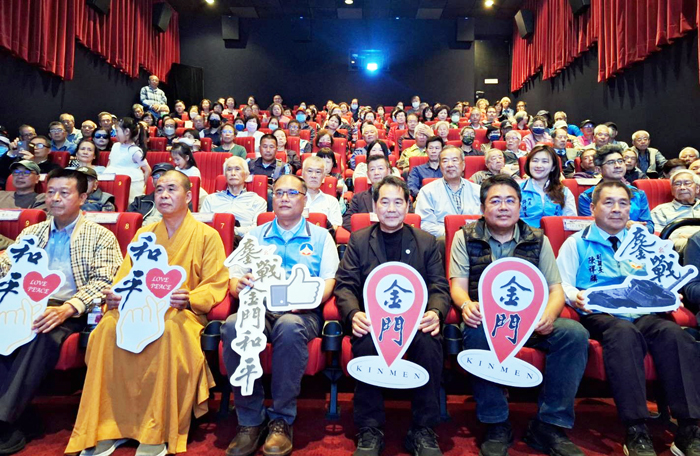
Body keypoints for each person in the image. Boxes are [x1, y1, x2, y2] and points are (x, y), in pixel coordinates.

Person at [67, 170, 229, 456]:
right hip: (138, 307)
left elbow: (216, 283)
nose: (163, 195)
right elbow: (124, 277)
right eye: (159, 189)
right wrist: (114, 297)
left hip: (181, 312)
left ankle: (157, 429)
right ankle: (107, 426)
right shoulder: (145, 235)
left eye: (171, 189)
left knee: (167, 330)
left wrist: (190, 298)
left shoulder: (207, 235)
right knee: (108, 328)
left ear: (188, 196)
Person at [557, 180, 700, 456]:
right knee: (623, 333)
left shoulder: (646, 243)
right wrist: (576, 297)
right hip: (603, 314)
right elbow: (561, 283)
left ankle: (689, 429)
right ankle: (636, 428)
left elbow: (664, 279)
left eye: (623, 203)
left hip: (644, 312)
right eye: (608, 202)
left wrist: (670, 294)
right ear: (593, 208)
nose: (617, 209)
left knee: (674, 335)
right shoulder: (576, 243)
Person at [451, 174, 589, 456]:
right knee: (475, 330)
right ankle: (496, 422)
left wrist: (549, 315)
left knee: (574, 334)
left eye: (510, 201)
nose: (503, 207)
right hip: (488, 321)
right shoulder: (465, 236)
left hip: (531, 322)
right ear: (483, 207)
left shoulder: (538, 239)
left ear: (519, 205)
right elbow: (458, 287)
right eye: (495, 201)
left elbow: (555, 289)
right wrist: (466, 306)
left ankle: (549, 425)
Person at [0, 168, 122, 455]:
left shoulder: (100, 236)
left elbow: (103, 281)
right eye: (51, 192)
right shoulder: (31, 233)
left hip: (70, 310)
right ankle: (23, 416)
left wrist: (68, 308)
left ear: (82, 198)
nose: (55, 198)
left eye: (64, 193)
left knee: (39, 331)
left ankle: (4, 421)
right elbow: (8, 269)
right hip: (23, 303)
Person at [222, 175, 339, 456]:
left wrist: (309, 299)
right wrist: (238, 285)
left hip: (302, 313)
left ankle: (281, 419)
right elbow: (234, 277)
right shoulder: (255, 235)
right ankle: (250, 419)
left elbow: (330, 280)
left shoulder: (320, 237)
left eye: (292, 193)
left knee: (288, 326)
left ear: (304, 199)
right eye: (279, 193)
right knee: (233, 325)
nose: (284, 198)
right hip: (259, 308)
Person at [335, 176, 450, 456]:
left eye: (398, 202)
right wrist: (354, 314)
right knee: (365, 341)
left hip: (415, 322)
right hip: (373, 320)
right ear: (375, 206)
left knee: (429, 343)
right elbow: (345, 285)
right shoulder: (360, 240)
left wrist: (435, 312)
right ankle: (369, 427)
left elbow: (438, 286)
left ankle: (423, 428)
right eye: (384, 202)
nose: (391, 208)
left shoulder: (426, 242)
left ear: (408, 206)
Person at [578, 145, 654, 232]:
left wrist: (637, 227)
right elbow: (588, 227)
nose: (618, 166)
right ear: (598, 169)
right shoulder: (587, 197)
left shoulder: (638, 194)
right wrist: (624, 226)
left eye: (620, 161)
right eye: (611, 162)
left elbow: (649, 226)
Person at [415, 146, 481, 239]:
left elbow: (485, 219)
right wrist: (452, 233)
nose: (450, 165)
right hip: (442, 239)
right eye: (445, 161)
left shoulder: (478, 190)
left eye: (454, 160)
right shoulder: (427, 191)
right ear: (440, 166)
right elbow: (425, 224)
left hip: (474, 238)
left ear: (463, 165)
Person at [200, 156, 267, 237]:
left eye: (237, 169)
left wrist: (232, 231)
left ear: (246, 175)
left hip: (242, 240)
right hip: (214, 238)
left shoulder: (257, 201)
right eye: (229, 169)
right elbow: (202, 224)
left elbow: (257, 228)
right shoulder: (210, 199)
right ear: (225, 175)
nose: (233, 173)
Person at [520, 145, 577, 228]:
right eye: (535, 161)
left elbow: (571, 223)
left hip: (555, 234)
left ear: (553, 167)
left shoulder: (564, 192)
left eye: (544, 161)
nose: (538, 165)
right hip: (525, 234)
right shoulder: (517, 190)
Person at [104, 117, 151, 204]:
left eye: (117, 131)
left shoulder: (135, 151)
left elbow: (147, 170)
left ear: (127, 132)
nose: (115, 134)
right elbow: (110, 163)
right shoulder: (115, 146)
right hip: (112, 182)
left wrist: (143, 185)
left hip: (131, 186)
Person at [650, 169, 700, 250]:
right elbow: (656, 237)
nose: (682, 187)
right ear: (672, 190)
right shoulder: (661, 210)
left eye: (687, 183)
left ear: (697, 188)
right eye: (677, 184)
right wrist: (686, 237)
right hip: (679, 244)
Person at [342, 154, 392, 232]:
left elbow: (409, 219)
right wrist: (366, 234)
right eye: (372, 169)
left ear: (388, 171)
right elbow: (347, 221)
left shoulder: (400, 196)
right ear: (368, 174)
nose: (376, 172)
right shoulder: (358, 198)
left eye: (380, 168)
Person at [302, 155, 342, 231]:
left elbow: (335, 227)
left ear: (324, 176)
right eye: (310, 171)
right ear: (303, 174)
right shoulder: (293, 199)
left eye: (318, 172)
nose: (313, 176)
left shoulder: (332, 201)